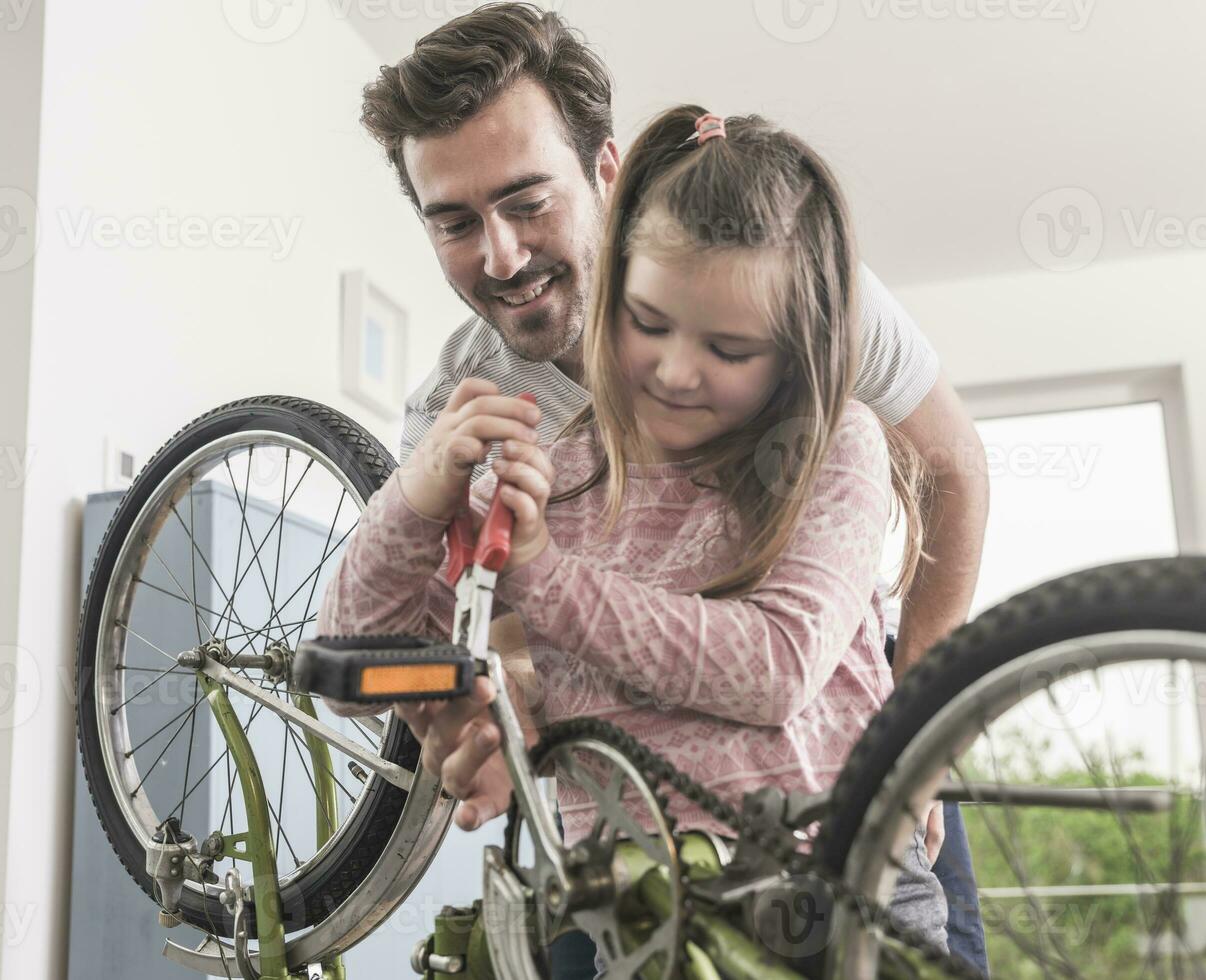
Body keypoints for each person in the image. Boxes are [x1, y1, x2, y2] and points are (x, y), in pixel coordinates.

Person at [351, 4, 990, 971]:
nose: (502, 256)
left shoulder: (782, 271)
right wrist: (475, 715)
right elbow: (474, 638)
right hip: (624, 826)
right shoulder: (460, 414)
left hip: (826, 748)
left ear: (606, 173)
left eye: (529, 202)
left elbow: (949, 469)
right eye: (455, 221)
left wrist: (921, 732)